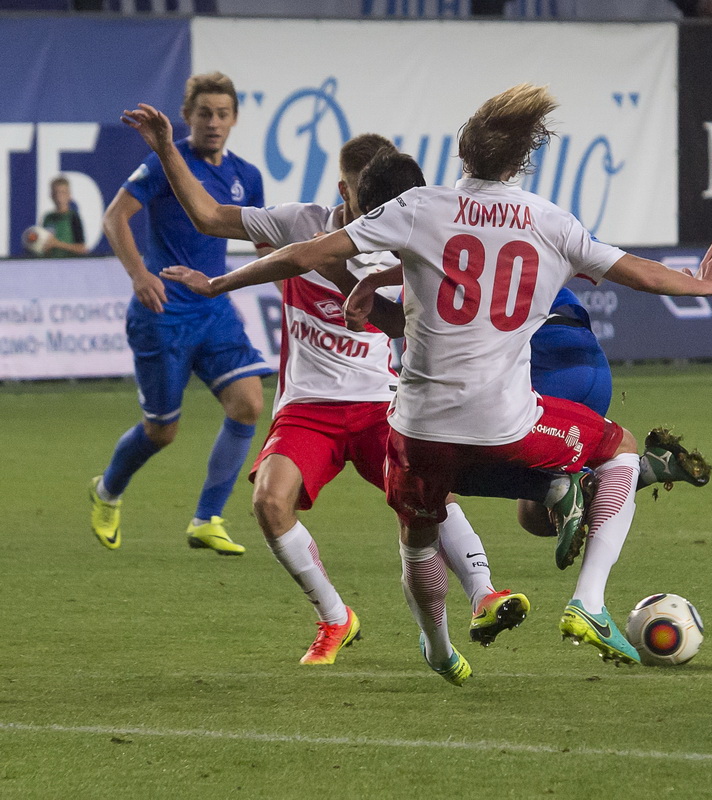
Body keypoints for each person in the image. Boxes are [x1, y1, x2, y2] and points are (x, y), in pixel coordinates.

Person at [160, 84, 712, 686]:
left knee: (418, 538)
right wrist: (698, 285)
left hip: (415, 427)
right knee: (619, 449)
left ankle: (439, 648)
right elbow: (636, 273)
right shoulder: (550, 222)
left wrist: (217, 283)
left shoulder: (420, 206)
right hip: (505, 418)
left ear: (462, 154)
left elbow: (307, 252)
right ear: (520, 162)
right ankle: (587, 599)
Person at [118, 105, 530, 665]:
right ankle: (336, 618)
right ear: (345, 190)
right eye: (371, 200)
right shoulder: (300, 222)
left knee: (430, 500)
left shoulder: (409, 231)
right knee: (268, 502)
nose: (384, 213)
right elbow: (210, 217)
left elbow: (420, 316)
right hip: (309, 408)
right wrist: (167, 148)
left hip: (383, 405)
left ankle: (485, 593)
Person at [355, 149, 712, 568]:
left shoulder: (427, 252)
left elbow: (402, 322)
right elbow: (630, 269)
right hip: (589, 365)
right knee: (533, 516)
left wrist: (358, 282)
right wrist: (697, 284)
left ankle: (579, 559)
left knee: (445, 465)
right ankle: (639, 470)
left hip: (540, 370)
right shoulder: (495, 223)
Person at [88, 72, 273, 556]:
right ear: (187, 117)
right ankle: (107, 489)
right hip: (163, 310)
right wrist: (139, 275)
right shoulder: (165, 163)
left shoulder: (247, 176)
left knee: (250, 403)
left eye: (223, 114)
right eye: (204, 113)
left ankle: (207, 517)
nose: (213, 123)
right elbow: (114, 217)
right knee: (162, 431)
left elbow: (263, 243)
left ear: (234, 119)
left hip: (214, 308)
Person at [38, 176, 88, 257]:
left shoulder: (73, 217)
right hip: (50, 265)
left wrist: (57, 244)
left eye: (63, 193)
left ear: (69, 195)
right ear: (51, 195)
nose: (59, 197)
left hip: (68, 264)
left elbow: (82, 248)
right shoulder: (48, 218)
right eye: (56, 193)